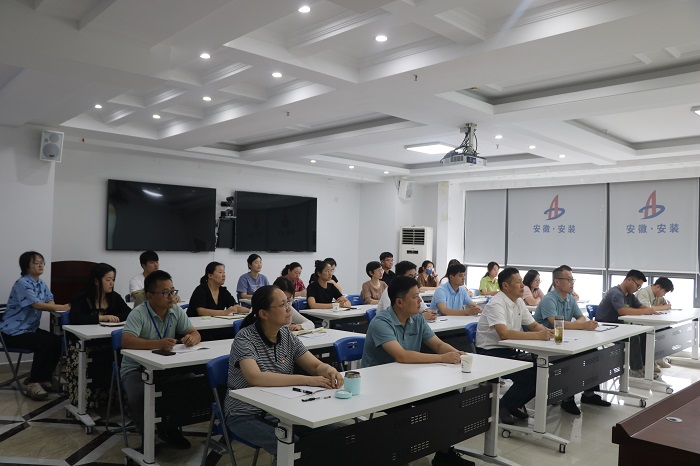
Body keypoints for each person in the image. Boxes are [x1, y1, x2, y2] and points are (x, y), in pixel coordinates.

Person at [225, 285, 343, 466]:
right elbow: (256, 378)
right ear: (264, 314)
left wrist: (327, 369)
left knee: (334, 434)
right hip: (244, 413)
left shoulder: (286, 335)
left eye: (288, 303)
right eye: (282, 305)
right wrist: (308, 380)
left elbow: (314, 365)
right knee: (290, 447)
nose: (289, 309)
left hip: (280, 410)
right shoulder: (245, 338)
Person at [361, 276, 473, 466]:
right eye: (415, 297)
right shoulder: (381, 322)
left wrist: (457, 354)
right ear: (399, 302)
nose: (420, 301)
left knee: (450, 398)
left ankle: (444, 453)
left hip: (408, 380)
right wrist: (442, 358)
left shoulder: (417, 318)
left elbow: (437, 344)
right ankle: (402, 455)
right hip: (379, 386)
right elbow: (402, 356)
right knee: (407, 414)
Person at [121, 270, 201, 449]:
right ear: (150, 296)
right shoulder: (138, 313)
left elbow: (194, 332)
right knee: (139, 395)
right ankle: (146, 436)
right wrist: (158, 344)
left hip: (165, 367)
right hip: (136, 369)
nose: (171, 297)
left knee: (190, 383)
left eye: (172, 291)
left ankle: (170, 428)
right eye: (165, 293)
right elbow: (126, 341)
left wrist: (192, 338)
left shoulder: (175, 310)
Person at [475, 267, 553, 425]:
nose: (523, 285)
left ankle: (512, 404)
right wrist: (538, 336)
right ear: (505, 286)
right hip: (489, 352)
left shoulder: (518, 302)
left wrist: (548, 333)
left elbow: (533, 325)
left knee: (542, 372)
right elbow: (504, 334)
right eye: (518, 282)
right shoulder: (496, 303)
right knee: (530, 377)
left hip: (507, 350)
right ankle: (503, 406)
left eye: (522, 282)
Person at [533, 266, 610, 415]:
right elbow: (556, 323)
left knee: (592, 352)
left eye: (572, 279)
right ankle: (567, 399)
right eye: (568, 279)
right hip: (545, 344)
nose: (572, 283)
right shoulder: (549, 299)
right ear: (557, 281)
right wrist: (581, 325)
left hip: (564, 340)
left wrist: (579, 324)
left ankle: (589, 394)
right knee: (571, 359)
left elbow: (580, 317)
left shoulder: (569, 298)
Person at [0, 251, 68, 400]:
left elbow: (49, 299)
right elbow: (37, 305)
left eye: (42, 262)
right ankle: (33, 382)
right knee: (45, 343)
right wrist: (62, 307)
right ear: (26, 266)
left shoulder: (40, 283)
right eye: (36, 263)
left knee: (57, 341)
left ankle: (43, 378)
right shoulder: (22, 283)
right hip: (12, 333)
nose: (40, 265)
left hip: (28, 329)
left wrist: (55, 306)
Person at [67, 262, 131, 408]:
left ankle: (115, 399)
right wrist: (102, 318)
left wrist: (115, 318)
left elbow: (128, 312)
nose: (111, 283)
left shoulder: (113, 297)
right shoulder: (81, 298)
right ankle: (87, 402)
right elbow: (75, 318)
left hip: (106, 342)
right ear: (96, 281)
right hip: (83, 344)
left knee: (122, 354)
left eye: (113, 280)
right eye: (108, 280)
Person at [596, 270, 657, 379]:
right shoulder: (616, 293)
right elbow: (622, 311)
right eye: (637, 285)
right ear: (629, 280)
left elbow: (640, 306)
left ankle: (645, 367)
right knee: (633, 337)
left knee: (644, 334)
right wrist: (645, 311)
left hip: (620, 326)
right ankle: (635, 370)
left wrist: (651, 311)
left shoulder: (629, 295)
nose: (637, 289)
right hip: (606, 327)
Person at [636, 277, 674, 371]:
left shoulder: (658, 295)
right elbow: (646, 308)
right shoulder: (643, 293)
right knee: (647, 335)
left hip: (651, 323)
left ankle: (659, 358)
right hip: (639, 325)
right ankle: (647, 364)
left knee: (667, 330)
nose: (664, 294)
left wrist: (660, 307)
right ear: (658, 287)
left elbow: (667, 304)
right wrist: (662, 307)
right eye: (664, 292)